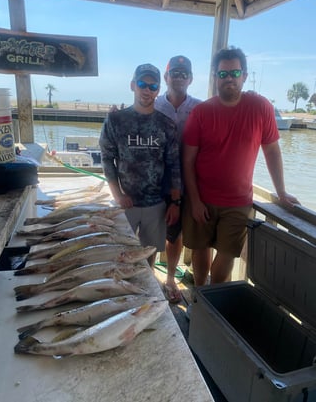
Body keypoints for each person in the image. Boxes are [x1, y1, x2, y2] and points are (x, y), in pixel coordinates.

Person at [182, 46, 300, 286]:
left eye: (234, 73)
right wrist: (194, 201)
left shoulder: (261, 107)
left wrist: (281, 190)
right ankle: (199, 292)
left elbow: (272, 151)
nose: (229, 79)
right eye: (223, 74)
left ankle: (213, 298)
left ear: (244, 76)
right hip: (202, 198)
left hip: (238, 201)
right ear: (215, 77)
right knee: (200, 248)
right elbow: (187, 160)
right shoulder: (201, 112)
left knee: (228, 253)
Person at [99, 63, 181, 267]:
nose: (147, 90)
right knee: (120, 255)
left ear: (158, 91)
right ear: (132, 85)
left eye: (153, 86)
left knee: (148, 256)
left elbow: (174, 166)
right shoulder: (115, 120)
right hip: (126, 203)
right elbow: (107, 159)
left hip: (156, 204)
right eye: (143, 84)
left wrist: (175, 203)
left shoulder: (167, 124)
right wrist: (118, 194)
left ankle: (148, 285)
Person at [155, 55, 208, 303]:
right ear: (166, 77)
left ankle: (200, 289)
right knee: (169, 235)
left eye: (184, 73)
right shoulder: (152, 105)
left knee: (197, 237)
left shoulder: (201, 108)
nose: (179, 77)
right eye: (174, 72)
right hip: (160, 183)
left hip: (194, 183)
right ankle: (167, 280)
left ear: (191, 79)